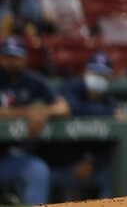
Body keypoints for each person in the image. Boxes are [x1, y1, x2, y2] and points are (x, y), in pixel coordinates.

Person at [0, 37, 70, 205]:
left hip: (7, 155)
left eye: (16, 57)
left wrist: (44, 112)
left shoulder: (32, 80)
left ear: (24, 59)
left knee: (37, 170)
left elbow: (63, 107)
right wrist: (27, 112)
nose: (12, 62)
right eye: (8, 57)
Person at [50, 52, 118, 201]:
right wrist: (109, 113)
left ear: (110, 79)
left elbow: (108, 147)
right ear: (85, 72)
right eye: (94, 72)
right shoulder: (71, 87)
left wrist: (91, 161)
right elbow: (72, 108)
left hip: (90, 165)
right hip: (60, 163)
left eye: (103, 75)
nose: (98, 78)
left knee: (112, 170)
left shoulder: (109, 102)